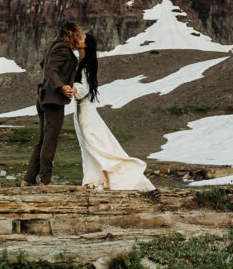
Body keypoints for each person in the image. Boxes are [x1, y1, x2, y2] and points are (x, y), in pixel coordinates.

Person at [72, 33, 154, 191]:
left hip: (86, 109)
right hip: (80, 109)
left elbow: (85, 88)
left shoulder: (88, 63)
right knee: (87, 145)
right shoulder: (79, 61)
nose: (77, 39)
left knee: (95, 143)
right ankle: (94, 179)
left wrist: (74, 89)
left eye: (81, 38)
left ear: (86, 45)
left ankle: (109, 179)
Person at [23, 21, 83, 186]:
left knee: (43, 140)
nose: (79, 37)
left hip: (43, 97)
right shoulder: (62, 48)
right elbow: (49, 68)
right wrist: (61, 86)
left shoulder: (53, 46)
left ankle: (28, 179)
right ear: (69, 34)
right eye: (77, 34)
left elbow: (44, 64)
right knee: (50, 140)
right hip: (53, 100)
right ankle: (45, 180)